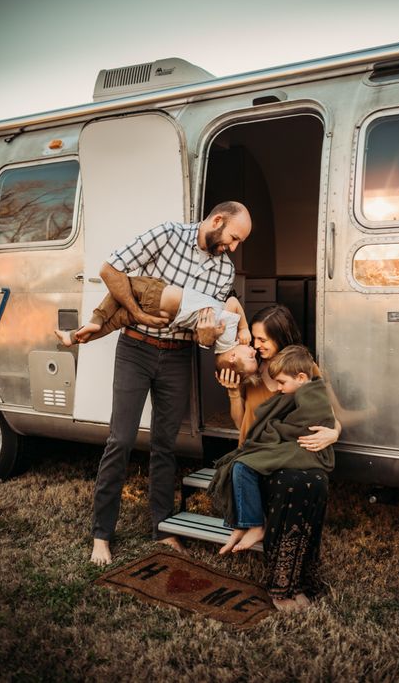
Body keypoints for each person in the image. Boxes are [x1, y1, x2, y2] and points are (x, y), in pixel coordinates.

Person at [90, 201, 252, 566]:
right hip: (135, 347)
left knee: (165, 444)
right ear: (217, 220)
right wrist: (136, 311)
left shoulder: (224, 270)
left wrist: (208, 337)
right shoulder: (167, 234)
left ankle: (162, 528)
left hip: (179, 355)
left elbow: (205, 336)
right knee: (121, 439)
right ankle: (101, 534)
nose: (233, 247)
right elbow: (110, 270)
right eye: (233, 237)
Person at [216, 304, 340, 612]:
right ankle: (281, 585)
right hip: (262, 451)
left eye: (262, 340)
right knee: (291, 485)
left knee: (313, 481)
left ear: (281, 336)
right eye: (254, 339)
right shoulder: (250, 370)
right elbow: (241, 427)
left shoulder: (302, 368)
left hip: (293, 449)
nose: (255, 346)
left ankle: (301, 577)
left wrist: (333, 432)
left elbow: (329, 412)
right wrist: (234, 393)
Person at [209, 345, 335, 556]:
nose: (255, 346)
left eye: (282, 383)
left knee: (242, 465)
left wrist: (276, 429)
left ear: (302, 377)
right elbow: (264, 418)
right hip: (289, 445)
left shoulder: (311, 392)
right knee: (240, 465)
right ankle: (244, 524)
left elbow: (306, 425)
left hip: (304, 449)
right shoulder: (287, 386)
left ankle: (254, 526)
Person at [55, 281, 257, 378]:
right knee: (119, 320)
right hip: (166, 314)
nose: (254, 351)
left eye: (251, 357)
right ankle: (73, 337)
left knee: (123, 284)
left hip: (162, 297)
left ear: (232, 358)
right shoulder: (222, 344)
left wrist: (244, 327)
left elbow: (232, 302)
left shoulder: (230, 338)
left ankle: (96, 320)